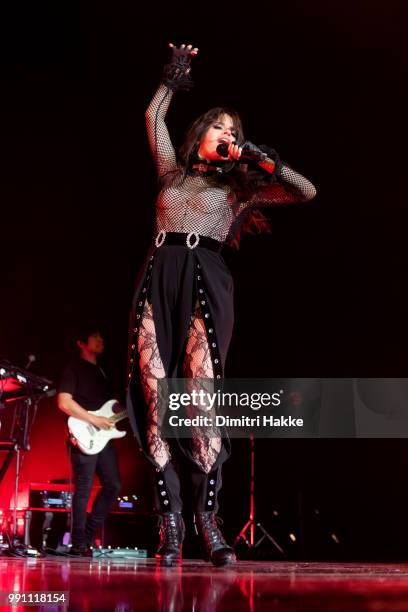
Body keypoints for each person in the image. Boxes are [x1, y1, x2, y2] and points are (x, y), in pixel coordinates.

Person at [127, 43, 317, 566]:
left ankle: (207, 523)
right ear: (200, 135)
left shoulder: (240, 190)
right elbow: (152, 114)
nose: (228, 135)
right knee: (155, 401)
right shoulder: (170, 172)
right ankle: (169, 528)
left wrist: (256, 155)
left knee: (200, 402)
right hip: (158, 273)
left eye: (235, 131)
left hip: (207, 280)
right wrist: (176, 73)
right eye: (222, 128)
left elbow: (306, 192)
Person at [57, 327, 121, 556]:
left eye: (101, 336)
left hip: (103, 436)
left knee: (113, 485)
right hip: (83, 432)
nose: (100, 339)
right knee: (83, 489)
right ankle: (78, 543)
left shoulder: (103, 371)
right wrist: (93, 418)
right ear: (81, 342)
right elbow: (64, 401)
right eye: (95, 336)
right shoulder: (73, 368)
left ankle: (86, 534)